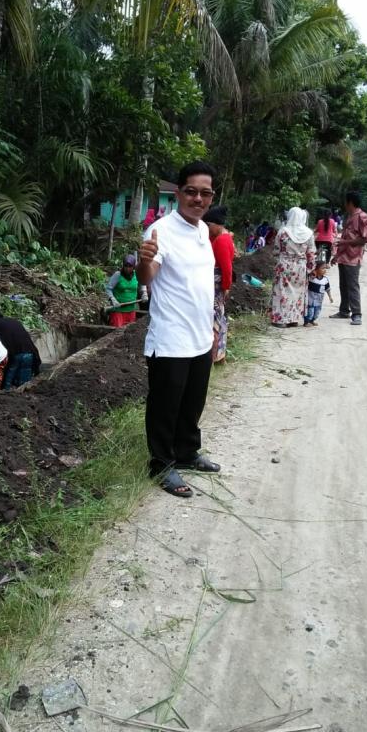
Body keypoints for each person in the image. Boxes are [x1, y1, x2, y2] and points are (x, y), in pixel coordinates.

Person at [138, 160, 220, 499]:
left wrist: (213, 326)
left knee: (192, 401)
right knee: (165, 404)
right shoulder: (161, 231)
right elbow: (147, 277)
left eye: (205, 193)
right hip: (171, 337)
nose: (197, 199)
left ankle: (186, 451)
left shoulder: (202, 229)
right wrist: (144, 259)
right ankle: (161, 464)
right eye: (191, 191)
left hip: (200, 335)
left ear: (211, 197)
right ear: (178, 192)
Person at [331, 190, 367, 326]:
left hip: (353, 258)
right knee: (343, 285)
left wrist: (345, 243)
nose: (344, 204)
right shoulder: (349, 217)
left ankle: (357, 314)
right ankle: (344, 311)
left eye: (345, 202)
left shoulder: (362, 217)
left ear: (350, 202)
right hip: (343, 257)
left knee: (352, 286)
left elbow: (364, 239)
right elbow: (344, 237)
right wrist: (336, 255)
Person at [270, 207, 316, 328]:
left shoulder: (283, 231)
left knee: (282, 291)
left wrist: (279, 258)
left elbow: (276, 250)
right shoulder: (308, 233)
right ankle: (293, 319)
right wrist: (310, 269)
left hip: (284, 265)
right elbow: (311, 254)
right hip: (300, 267)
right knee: (297, 293)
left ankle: (281, 320)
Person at [203, 206, 235, 364]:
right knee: (218, 318)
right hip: (216, 284)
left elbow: (226, 268)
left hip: (217, 286)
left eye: (208, 225)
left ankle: (215, 355)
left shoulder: (222, 240)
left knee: (215, 320)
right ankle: (218, 355)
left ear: (217, 224)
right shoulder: (223, 237)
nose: (207, 229)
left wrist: (226, 286)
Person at [0, 309, 41, 388]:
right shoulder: (14, 321)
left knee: (7, 383)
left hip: (14, 355)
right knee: (24, 384)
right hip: (30, 353)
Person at [105, 255, 146, 328]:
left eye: (130, 266)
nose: (127, 268)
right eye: (126, 266)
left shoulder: (136, 275)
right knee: (117, 333)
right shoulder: (118, 275)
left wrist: (144, 293)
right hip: (118, 310)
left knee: (128, 333)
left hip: (131, 310)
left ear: (133, 267)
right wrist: (113, 299)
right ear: (123, 265)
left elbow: (142, 284)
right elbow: (108, 288)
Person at [304, 261, 333, 326]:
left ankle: (312, 320)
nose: (324, 270)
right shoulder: (311, 278)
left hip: (319, 300)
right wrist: (312, 273)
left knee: (317, 312)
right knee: (310, 311)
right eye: (322, 268)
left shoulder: (325, 280)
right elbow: (307, 275)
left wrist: (330, 297)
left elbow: (327, 289)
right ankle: (306, 321)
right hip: (310, 300)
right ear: (316, 269)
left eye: (325, 268)